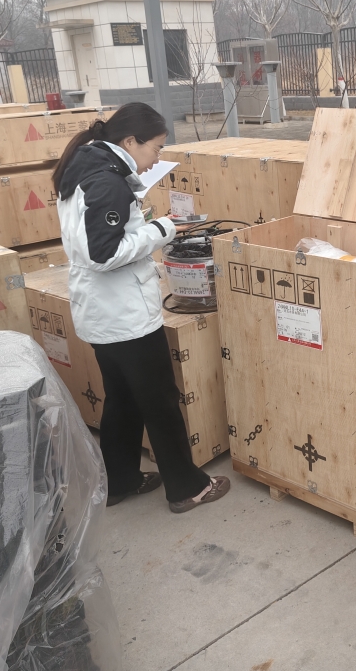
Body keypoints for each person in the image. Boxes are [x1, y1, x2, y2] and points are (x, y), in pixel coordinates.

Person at [53, 102, 230, 513]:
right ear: (130, 141)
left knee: (122, 398)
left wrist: (141, 223)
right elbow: (103, 253)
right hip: (126, 316)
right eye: (156, 147)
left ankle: (121, 480)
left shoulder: (82, 167)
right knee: (160, 402)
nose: (156, 159)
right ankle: (187, 488)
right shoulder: (107, 181)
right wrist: (162, 229)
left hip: (100, 312)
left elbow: (95, 239)